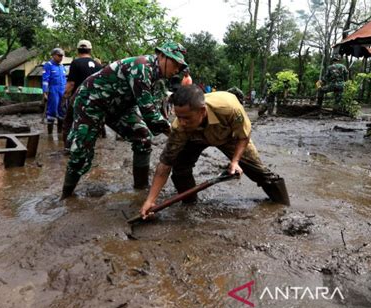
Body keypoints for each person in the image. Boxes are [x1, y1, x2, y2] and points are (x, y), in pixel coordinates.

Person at [140, 85, 290, 219]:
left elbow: (243, 136)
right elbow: (165, 164)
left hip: (228, 137)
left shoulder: (229, 108)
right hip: (193, 137)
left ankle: (283, 207)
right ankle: (189, 205)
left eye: (186, 118)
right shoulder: (180, 127)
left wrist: (235, 161)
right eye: (178, 117)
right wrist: (150, 200)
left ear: (202, 111)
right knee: (180, 169)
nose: (182, 122)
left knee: (260, 172)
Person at [61, 42, 188, 199]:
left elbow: (155, 108)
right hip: (92, 101)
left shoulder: (158, 77)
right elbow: (148, 110)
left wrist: (169, 128)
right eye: (175, 63)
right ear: (161, 56)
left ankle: (141, 189)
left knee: (143, 137)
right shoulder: (142, 67)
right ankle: (65, 196)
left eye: (180, 67)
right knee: (81, 151)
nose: (177, 70)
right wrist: (175, 134)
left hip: (119, 107)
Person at [62, 40, 102, 148]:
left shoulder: (75, 63)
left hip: (78, 98)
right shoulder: (98, 65)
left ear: (78, 50)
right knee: (90, 123)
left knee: (69, 122)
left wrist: (65, 95)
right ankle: (88, 146)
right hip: (94, 99)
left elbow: (71, 83)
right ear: (90, 50)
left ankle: (68, 146)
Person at [43, 48, 67, 134]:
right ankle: (50, 134)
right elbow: (45, 80)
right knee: (52, 111)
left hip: (62, 90)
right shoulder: (48, 65)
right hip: (53, 90)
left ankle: (59, 133)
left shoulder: (62, 67)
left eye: (62, 56)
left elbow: (65, 80)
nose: (61, 58)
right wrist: (45, 93)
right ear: (53, 55)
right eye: (59, 56)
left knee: (62, 110)